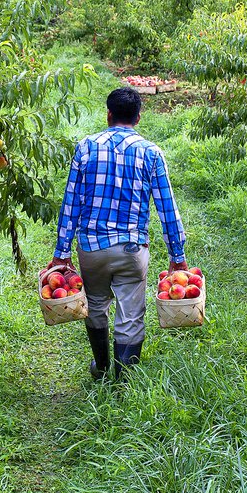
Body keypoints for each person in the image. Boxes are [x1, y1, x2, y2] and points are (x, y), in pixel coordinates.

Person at [46, 87, 187, 379]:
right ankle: (124, 382)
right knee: (131, 314)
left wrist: (62, 253)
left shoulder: (86, 147)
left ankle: (101, 367)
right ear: (138, 117)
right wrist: (178, 255)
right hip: (131, 249)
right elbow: (167, 208)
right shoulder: (151, 152)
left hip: (92, 247)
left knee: (96, 305)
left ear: (108, 114)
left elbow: (71, 202)